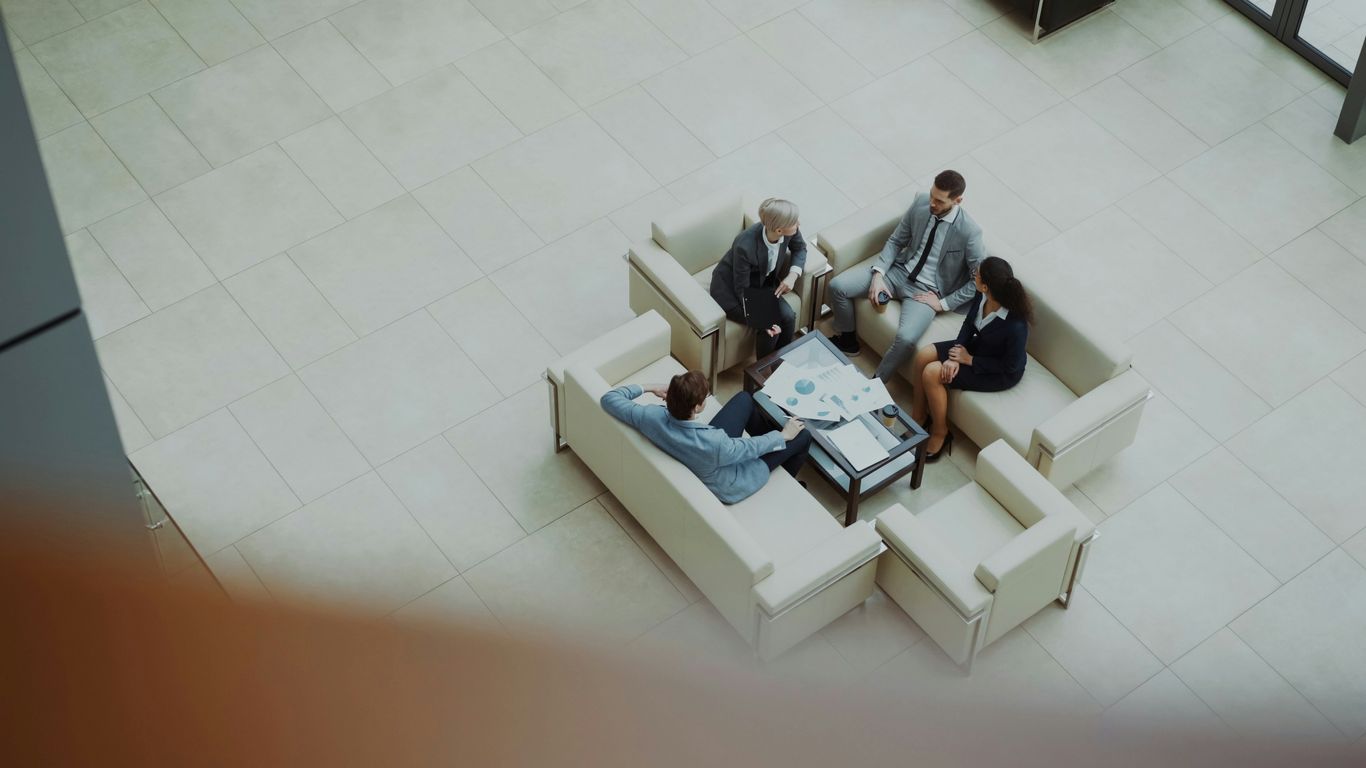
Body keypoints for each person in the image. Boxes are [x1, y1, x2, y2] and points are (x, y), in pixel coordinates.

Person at [827, 170, 986, 381]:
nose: (932, 203)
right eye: (932, 195)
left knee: (906, 338)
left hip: (927, 293)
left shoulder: (970, 232)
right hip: (898, 272)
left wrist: (943, 303)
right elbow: (896, 240)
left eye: (939, 201)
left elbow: (979, 281)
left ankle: (875, 384)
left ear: (957, 201)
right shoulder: (921, 203)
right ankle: (848, 341)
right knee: (837, 286)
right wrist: (878, 275)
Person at [600, 371, 811, 504]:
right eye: (705, 397)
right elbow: (748, 448)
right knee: (802, 437)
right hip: (729, 479)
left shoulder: (650, 416)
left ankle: (778, 446)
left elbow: (609, 398)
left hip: (698, 450)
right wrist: (783, 435)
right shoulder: (715, 442)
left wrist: (650, 387)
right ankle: (785, 477)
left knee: (744, 399)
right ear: (696, 407)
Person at [908, 256, 1032, 463]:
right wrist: (956, 353)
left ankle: (941, 432)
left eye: (977, 274)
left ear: (985, 286)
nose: (973, 275)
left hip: (998, 371)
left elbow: (1011, 366)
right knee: (923, 356)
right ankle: (919, 416)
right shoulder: (982, 295)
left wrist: (969, 360)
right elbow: (968, 324)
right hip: (979, 347)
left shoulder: (1016, 326)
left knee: (932, 373)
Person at [709, 198, 808, 359]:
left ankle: (781, 364)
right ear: (779, 230)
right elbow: (742, 289)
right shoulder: (744, 246)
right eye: (794, 222)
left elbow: (800, 248)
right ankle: (761, 369)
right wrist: (761, 319)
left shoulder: (790, 230)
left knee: (789, 317)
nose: (798, 223)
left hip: (763, 285)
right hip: (732, 292)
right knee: (771, 327)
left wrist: (792, 275)